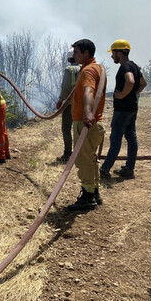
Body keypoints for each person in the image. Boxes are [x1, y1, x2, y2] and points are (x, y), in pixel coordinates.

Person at [99, 39, 147, 179]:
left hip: (122, 111)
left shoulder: (125, 67)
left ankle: (105, 169)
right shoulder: (135, 66)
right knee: (131, 138)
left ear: (119, 52)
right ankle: (129, 169)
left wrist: (122, 95)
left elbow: (130, 81)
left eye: (113, 53)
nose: (112, 56)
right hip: (132, 108)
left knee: (115, 140)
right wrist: (132, 94)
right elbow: (143, 83)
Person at [67, 39, 106, 210]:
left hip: (85, 124)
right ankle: (94, 192)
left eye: (76, 52)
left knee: (83, 160)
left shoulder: (88, 71)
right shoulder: (95, 68)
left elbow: (89, 91)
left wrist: (87, 113)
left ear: (86, 53)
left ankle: (88, 197)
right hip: (92, 124)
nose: (73, 55)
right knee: (90, 159)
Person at [56, 50, 80, 163]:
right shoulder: (84, 68)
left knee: (66, 128)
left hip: (70, 104)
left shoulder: (69, 69)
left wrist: (61, 100)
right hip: (82, 103)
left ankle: (67, 154)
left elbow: (65, 87)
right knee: (80, 128)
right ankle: (81, 153)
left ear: (69, 59)